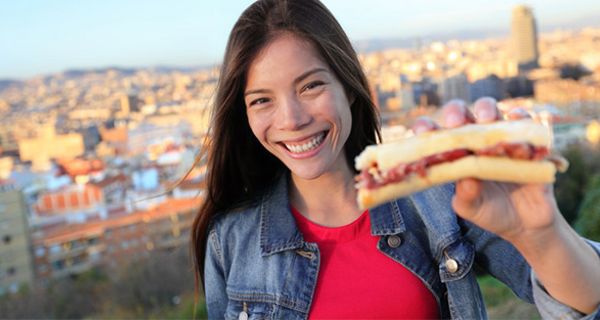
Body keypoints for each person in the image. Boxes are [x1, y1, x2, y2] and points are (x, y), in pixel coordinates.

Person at [191, 0, 600, 318]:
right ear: (243, 114)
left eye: (311, 86)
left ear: (349, 87)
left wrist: (541, 234)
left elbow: (584, 303)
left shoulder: (438, 200)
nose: (292, 120)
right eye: (262, 100)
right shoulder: (230, 240)